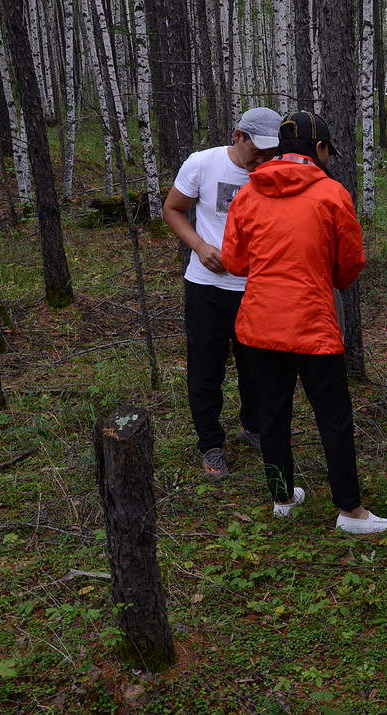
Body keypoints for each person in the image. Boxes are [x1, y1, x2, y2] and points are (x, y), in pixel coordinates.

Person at [221, 110, 387, 533]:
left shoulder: (248, 193)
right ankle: (350, 512)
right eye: (328, 151)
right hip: (312, 325)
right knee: (333, 416)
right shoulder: (332, 194)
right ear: (318, 148)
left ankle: (282, 498)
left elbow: (234, 261)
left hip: (259, 325)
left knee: (271, 413)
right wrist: (323, 278)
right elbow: (349, 264)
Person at [164, 107, 282, 478]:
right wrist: (199, 247)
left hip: (257, 287)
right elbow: (172, 209)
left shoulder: (275, 172)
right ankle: (211, 444)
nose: (262, 159)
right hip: (207, 287)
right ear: (238, 136)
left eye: (270, 151)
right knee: (206, 369)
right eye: (256, 150)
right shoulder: (202, 164)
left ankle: (253, 427)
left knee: (256, 366)